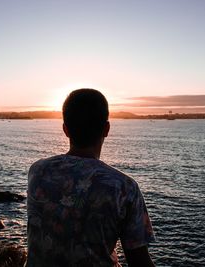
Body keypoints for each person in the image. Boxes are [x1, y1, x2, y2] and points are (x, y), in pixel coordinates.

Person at [26, 89, 155, 267]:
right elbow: (139, 262)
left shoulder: (38, 171)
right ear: (107, 129)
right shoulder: (124, 188)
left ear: (65, 129)